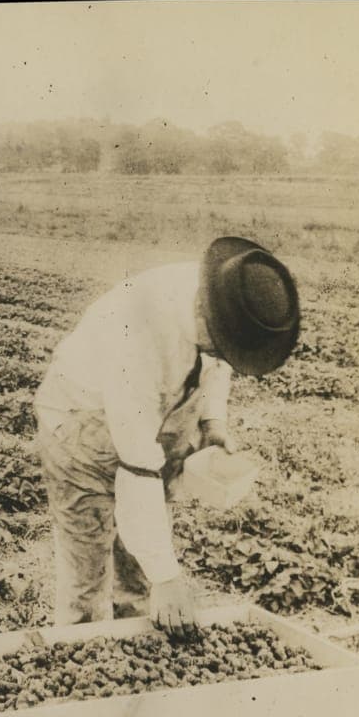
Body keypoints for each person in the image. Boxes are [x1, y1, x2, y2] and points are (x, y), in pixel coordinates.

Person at [34, 236, 300, 633]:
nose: (224, 356)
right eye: (222, 347)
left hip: (153, 419)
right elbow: (138, 463)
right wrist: (168, 577)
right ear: (203, 315)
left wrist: (212, 423)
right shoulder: (137, 333)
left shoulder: (223, 299)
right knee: (87, 579)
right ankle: (84, 648)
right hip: (82, 425)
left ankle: (135, 642)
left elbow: (217, 365)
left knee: (140, 570)